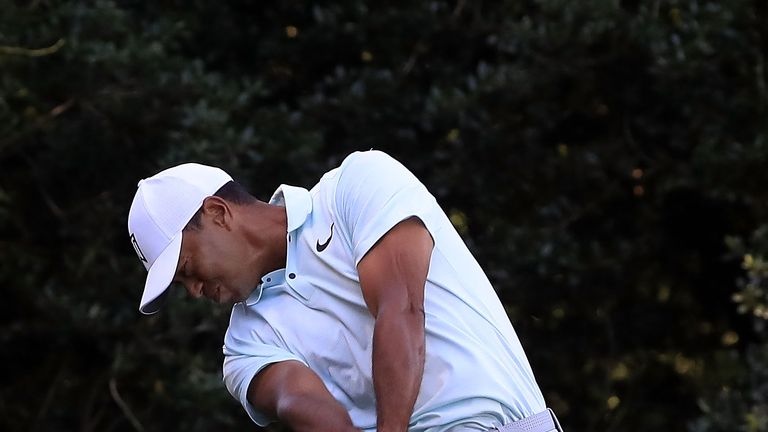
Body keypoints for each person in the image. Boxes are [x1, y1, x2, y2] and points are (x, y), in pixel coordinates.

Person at [128, 150, 563, 432]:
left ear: (218, 213)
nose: (194, 290)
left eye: (187, 269)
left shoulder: (357, 186)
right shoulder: (243, 345)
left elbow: (401, 308)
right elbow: (300, 402)